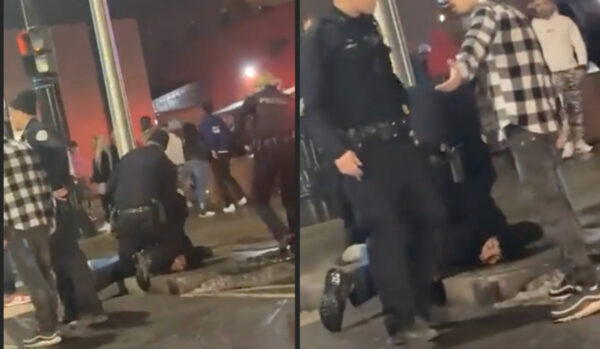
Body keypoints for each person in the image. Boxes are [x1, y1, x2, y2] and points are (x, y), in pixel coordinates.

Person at [436, 0, 600, 322]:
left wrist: (459, 72)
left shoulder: (485, 14)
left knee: (548, 203)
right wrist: (555, 119)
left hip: (523, 124)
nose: (448, 3)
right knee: (554, 199)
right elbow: (539, 67)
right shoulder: (511, 14)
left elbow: (472, 51)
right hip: (538, 121)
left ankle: (590, 282)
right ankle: (576, 271)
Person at [301, 0, 450, 344]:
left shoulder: (368, 28)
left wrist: (411, 117)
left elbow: (387, 80)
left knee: (432, 217)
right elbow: (312, 109)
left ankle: (415, 301)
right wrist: (338, 151)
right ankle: (402, 322)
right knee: (388, 234)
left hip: (399, 142)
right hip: (362, 153)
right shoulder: (321, 36)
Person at [9, 90, 106, 326]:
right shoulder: (28, 136)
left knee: (69, 256)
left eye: (12, 113)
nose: (11, 118)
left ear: (22, 112)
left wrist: (56, 186)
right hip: (47, 208)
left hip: (57, 208)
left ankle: (89, 308)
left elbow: (56, 155)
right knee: (58, 259)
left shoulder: (38, 132)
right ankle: (72, 309)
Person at [97, 130, 197, 292]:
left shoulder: (127, 158)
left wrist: (110, 218)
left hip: (123, 219)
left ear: (148, 140)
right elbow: (170, 197)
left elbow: (108, 191)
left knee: (126, 265)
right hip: (149, 218)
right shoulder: (163, 161)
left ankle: (90, 285)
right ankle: (149, 258)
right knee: (174, 245)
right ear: (164, 146)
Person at [3, 136, 62, 347]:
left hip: (17, 225)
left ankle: (46, 330)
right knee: (46, 275)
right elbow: (44, 182)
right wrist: (49, 215)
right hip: (40, 219)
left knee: (34, 280)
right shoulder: (24, 146)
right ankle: (53, 324)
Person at [530, 0, 593, 158]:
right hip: (551, 73)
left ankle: (579, 140)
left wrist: (582, 65)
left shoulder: (566, 22)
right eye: (537, 5)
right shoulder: (534, 26)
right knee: (560, 109)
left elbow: (578, 43)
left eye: (542, 4)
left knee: (575, 107)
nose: (540, 8)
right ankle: (568, 142)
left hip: (570, 69)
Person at [240, 81, 296, 252]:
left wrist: (243, 142)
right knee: (290, 198)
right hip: (289, 149)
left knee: (259, 199)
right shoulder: (287, 99)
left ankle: (282, 234)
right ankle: (295, 236)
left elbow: (239, 119)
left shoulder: (254, 99)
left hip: (267, 151)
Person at [198, 101, 247, 213]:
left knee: (220, 179)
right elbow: (228, 134)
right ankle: (241, 197)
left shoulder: (205, 122)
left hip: (216, 153)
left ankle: (229, 203)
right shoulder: (218, 120)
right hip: (226, 151)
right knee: (227, 175)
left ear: (202, 110)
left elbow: (209, 138)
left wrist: (213, 149)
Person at [182, 122, 216, 218]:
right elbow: (206, 150)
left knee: (196, 187)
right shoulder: (199, 138)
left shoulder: (185, 142)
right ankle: (203, 209)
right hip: (200, 163)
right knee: (202, 187)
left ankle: (197, 205)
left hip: (188, 164)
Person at [91, 135, 118, 231]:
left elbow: (104, 170)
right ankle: (110, 221)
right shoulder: (99, 155)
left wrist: (96, 178)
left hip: (105, 182)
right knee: (106, 202)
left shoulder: (101, 155)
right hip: (104, 182)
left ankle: (110, 222)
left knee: (107, 202)